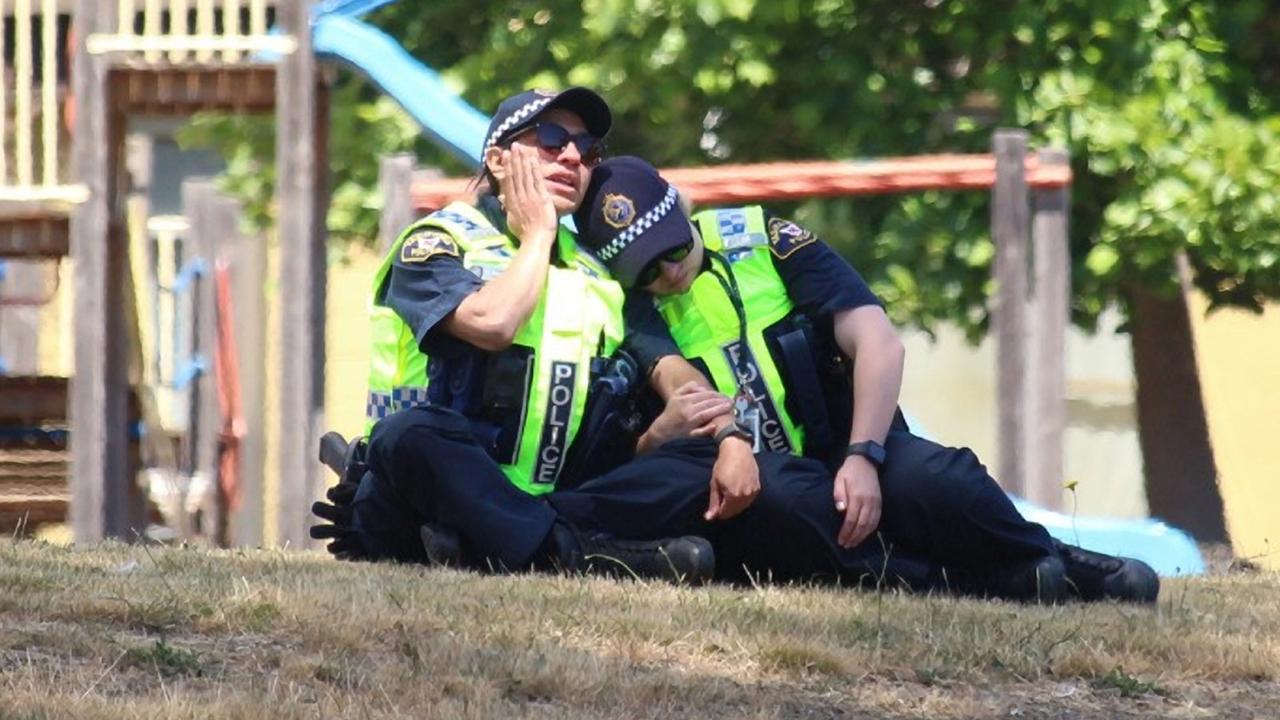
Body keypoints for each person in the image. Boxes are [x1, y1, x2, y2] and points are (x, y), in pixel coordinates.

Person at [572, 156, 1160, 604]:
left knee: (937, 478)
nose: (669, 271)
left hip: (850, 443)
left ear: (683, 208)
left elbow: (877, 341)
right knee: (790, 505)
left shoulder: (765, 241)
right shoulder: (631, 309)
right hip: (763, 481)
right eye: (645, 268)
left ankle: (1052, 558)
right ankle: (978, 582)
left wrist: (862, 455)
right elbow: (678, 385)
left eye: (670, 248)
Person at [309, 88, 724, 583]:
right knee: (409, 437)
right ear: (497, 159)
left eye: (588, 149)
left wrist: (690, 429)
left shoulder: (600, 271)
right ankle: (581, 557)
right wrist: (538, 235)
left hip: (556, 497)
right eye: (551, 139)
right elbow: (493, 324)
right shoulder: (437, 242)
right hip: (426, 494)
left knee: (694, 462)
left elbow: (673, 372)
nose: (572, 156)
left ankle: (489, 546)